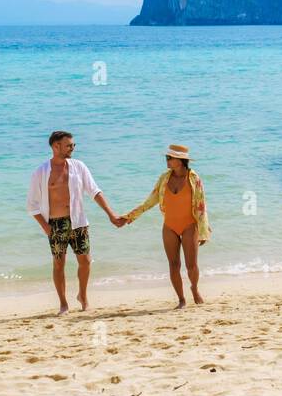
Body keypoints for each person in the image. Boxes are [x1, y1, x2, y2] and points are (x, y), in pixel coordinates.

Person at [27, 131, 124, 314]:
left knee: (85, 261)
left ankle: (83, 296)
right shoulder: (41, 172)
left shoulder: (79, 167)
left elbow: (95, 191)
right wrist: (46, 228)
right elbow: (31, 205)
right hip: (55, 224)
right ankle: (63, 304)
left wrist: (111, 214)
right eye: (69, 145)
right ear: (56, 146)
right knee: (58, 264)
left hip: (78, 221)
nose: (73, 148)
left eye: (73, 145)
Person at [120, 144, 211, 308]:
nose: (167, 160)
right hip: (169, 225)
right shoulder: (164, 178)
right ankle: (181, 299)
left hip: (189, 225)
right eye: (167, 157)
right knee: (173, 265)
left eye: (170, 158)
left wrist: (204, 230)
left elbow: (201, 205)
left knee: (191, 265)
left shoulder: (194, 178)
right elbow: (151, 200)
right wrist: (129, 217)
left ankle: (195, 288)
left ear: (181, 160)